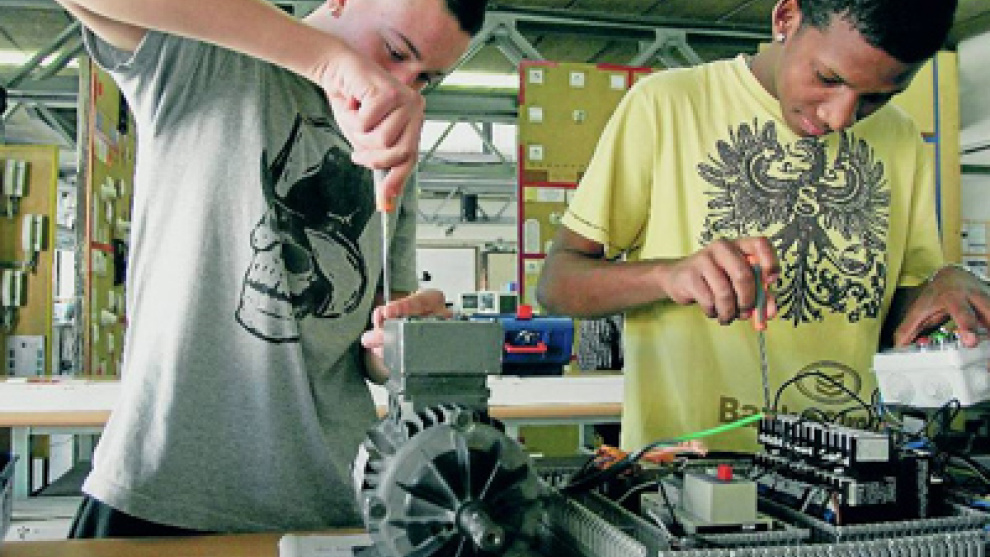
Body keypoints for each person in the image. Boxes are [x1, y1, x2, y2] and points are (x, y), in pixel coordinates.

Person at [54, 0, 488, 537]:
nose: (401, 86)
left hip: (334, 501)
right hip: (167, 487)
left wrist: (405, 339)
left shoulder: (386, 143)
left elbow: (374, 346)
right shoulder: (211, 53)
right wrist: (330, 63)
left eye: (425, 79)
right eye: (396, 52)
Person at [537, 0, 990, 454]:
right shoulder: (667, 105)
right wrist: (668, 275)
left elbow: (894, 314)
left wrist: (945, 293)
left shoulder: (901, 138)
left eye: (875, 98)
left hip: (845, 468)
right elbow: (558, 283)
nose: (840, 118)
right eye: (827, 79)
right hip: (687, 471)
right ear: (786, 18)